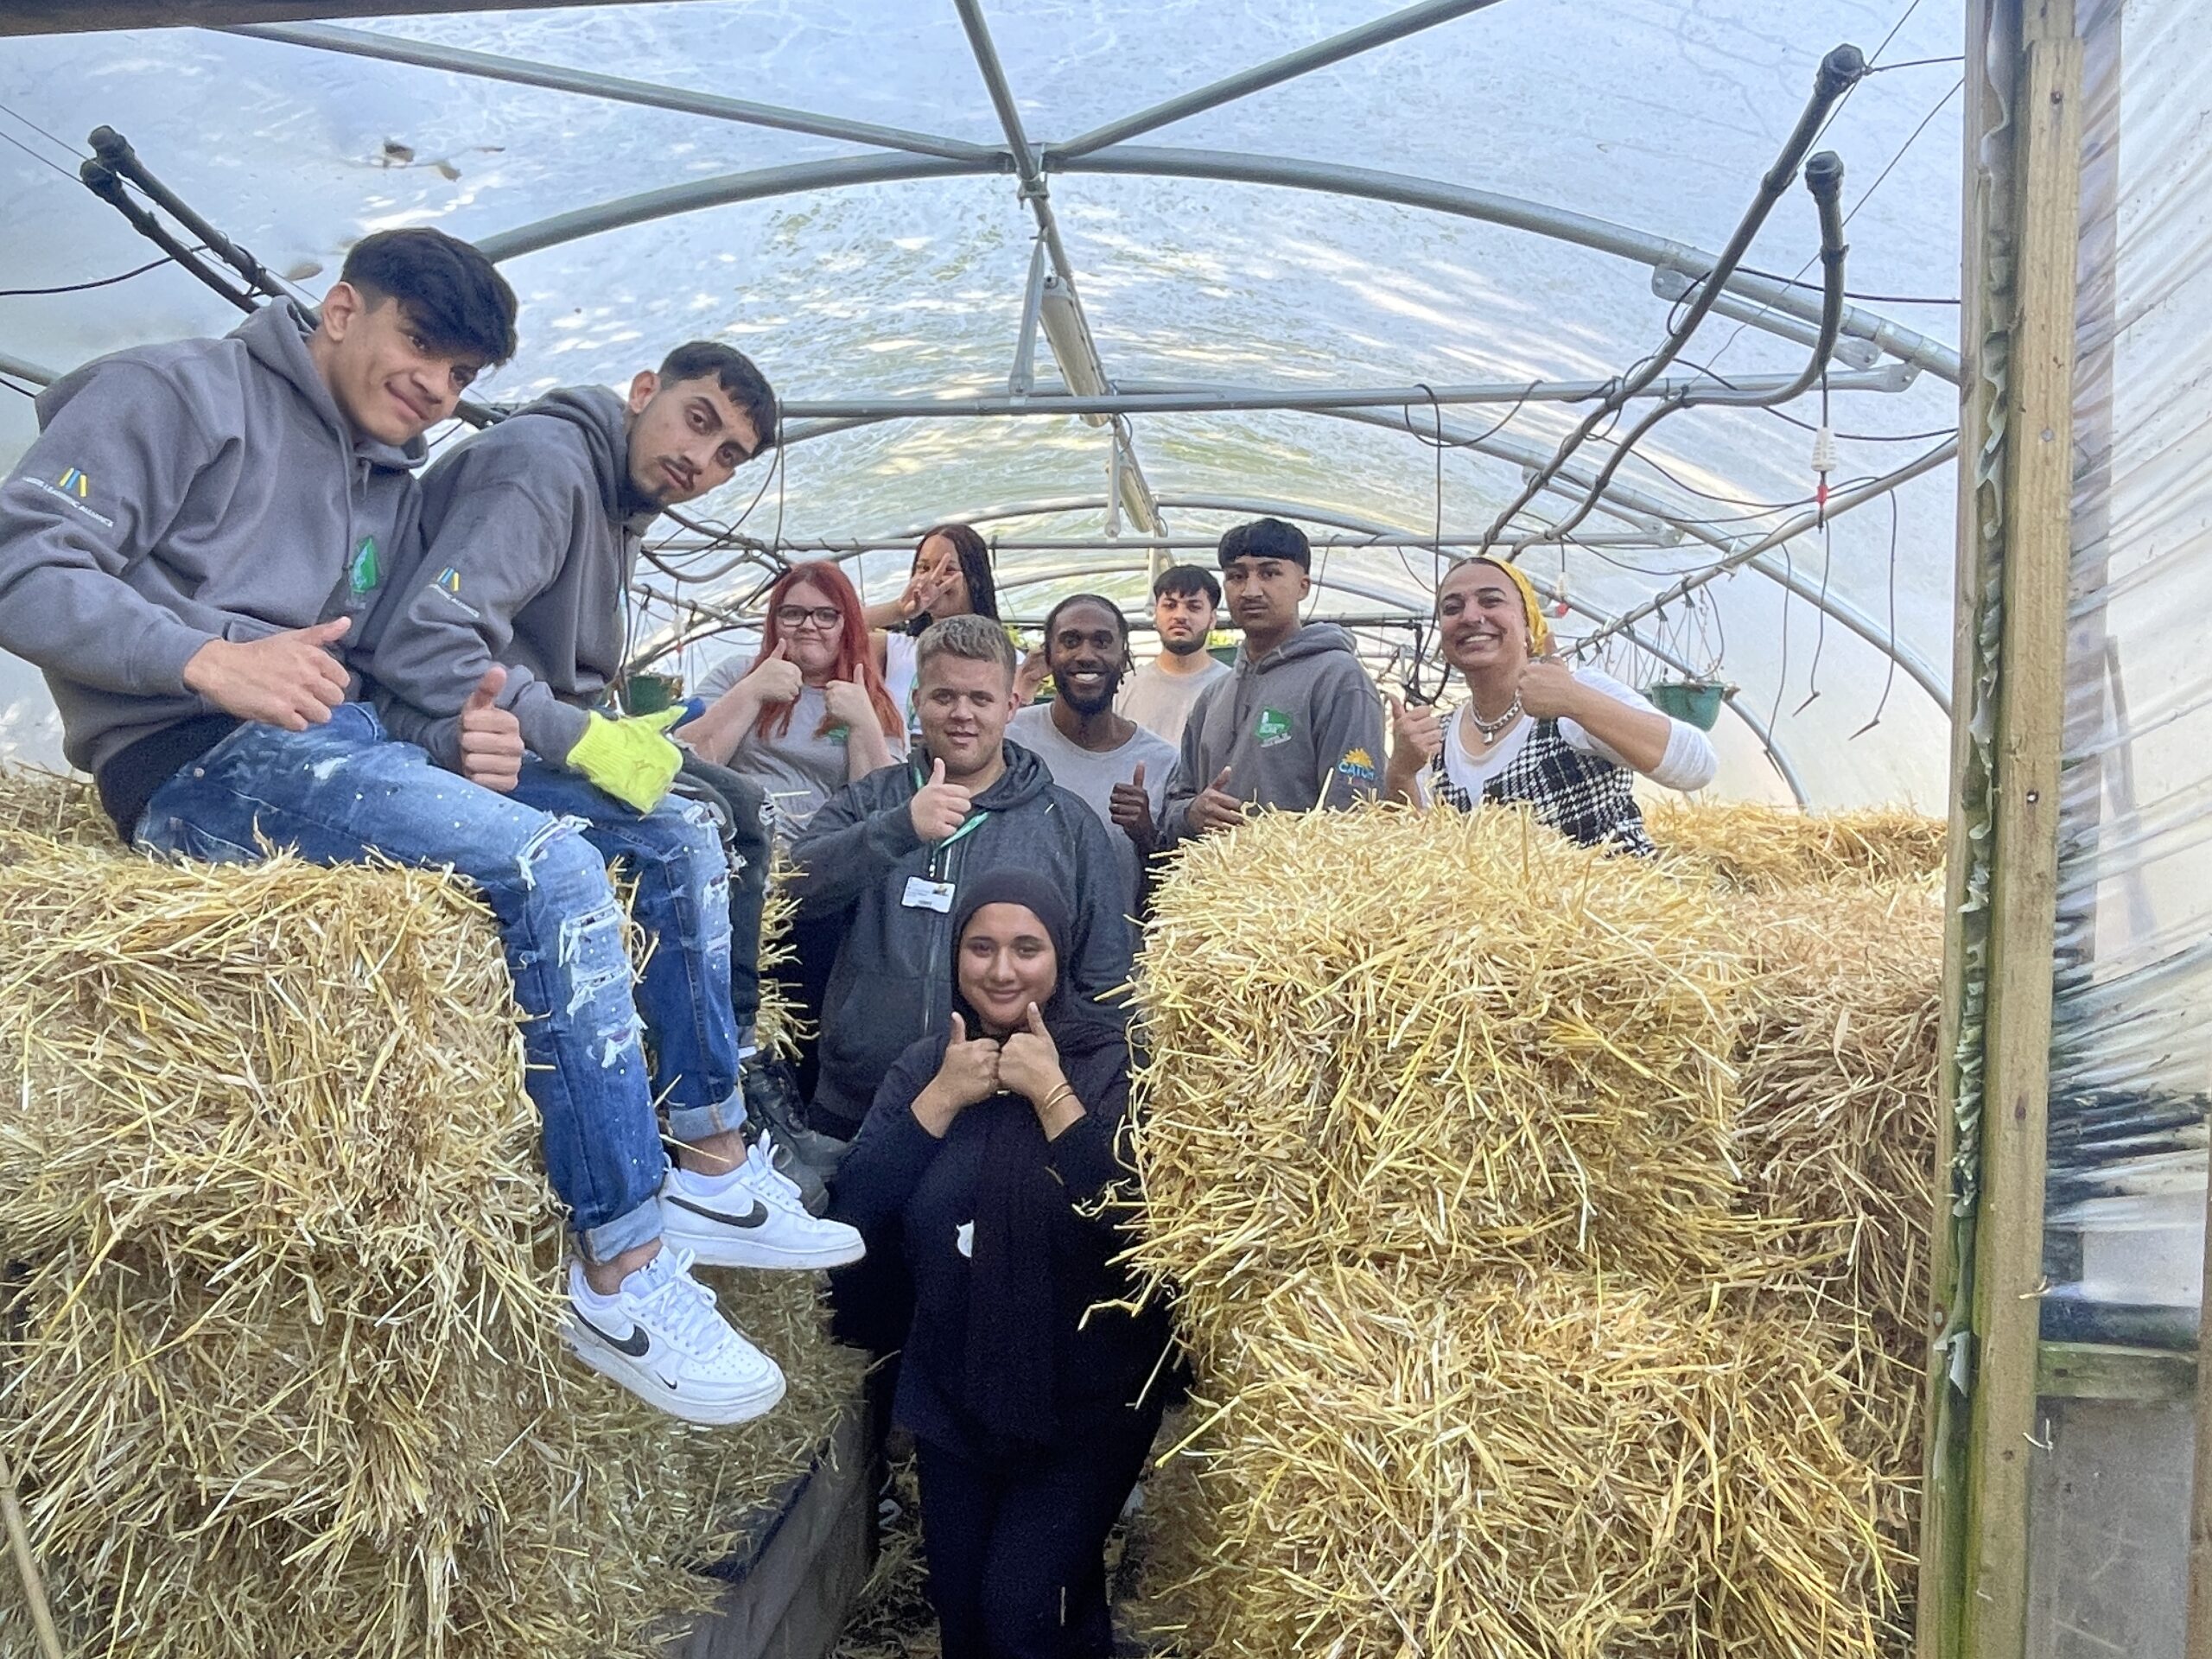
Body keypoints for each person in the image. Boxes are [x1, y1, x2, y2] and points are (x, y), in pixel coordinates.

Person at [0, 235, 823, 1427]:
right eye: (421, 347)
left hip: (336, 747)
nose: (438, 386)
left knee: (674, 829)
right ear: (341, 310)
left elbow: (386, 678)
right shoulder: (175, 390)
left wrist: (465, 747)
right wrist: (201, 656)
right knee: (555, 864)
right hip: (191, 759)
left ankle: (709, 1152)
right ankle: (623, 1269)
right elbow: (22, 561)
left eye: (460, 368)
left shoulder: (385, 474)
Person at [359, 341, 868, 1238]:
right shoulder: (544, 466)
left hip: (513, 721)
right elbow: (427, 647)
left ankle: (731, 1087)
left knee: (727, 810)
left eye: (727, 458)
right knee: (689, 829)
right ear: (643, 393)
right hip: (440, 732)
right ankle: (709, 1145)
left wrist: (603, 728)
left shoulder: (616, 498)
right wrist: (582, 736)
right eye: (696, 421)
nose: (700, 462)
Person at [829, 870, 1171, 1659]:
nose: (1003, 969)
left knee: (1019, 1614)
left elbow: (1141, 1225)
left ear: (1064, 953)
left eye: (1028, 948)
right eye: (981, 948)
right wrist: (940, 1103)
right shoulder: (927, 1066)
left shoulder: (1114, 1064)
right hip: (956, 1392)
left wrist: (1054, 1099)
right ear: (956, 957)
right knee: (964, 1611)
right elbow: (853, 1211)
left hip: (1088, 1401)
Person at [785, 613, 1133, 1143]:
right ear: (917, 700)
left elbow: (1107, 981)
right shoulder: (874, 801)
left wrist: (1063, 1079)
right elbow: (791, 891)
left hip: (1005, 1115)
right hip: (858, 1102)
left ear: (1012, 706)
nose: (962, 715)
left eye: (981, 699)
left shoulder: (1067, 825)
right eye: (945, 697)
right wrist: (899, 828)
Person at [1382, 557, 1717, 852]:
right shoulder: (1436, 738)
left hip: (1611, 918)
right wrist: (1401, 771)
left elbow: (1698, 767)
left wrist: (1576, 702)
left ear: (1528, 623)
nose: (1470, 616)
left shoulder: (1578, 690)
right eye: (1452, 609)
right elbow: (1418, 860)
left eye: (1491, 601)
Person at [1158, 518, 1386, 842]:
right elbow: (1174, 806)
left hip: (1301, 888)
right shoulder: (1212, 697)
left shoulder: (1338, 678)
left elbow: (1354, 814)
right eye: (1237, 576)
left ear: (1303, 586)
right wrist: (1192, 813)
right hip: (1213, 889)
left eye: (1269, 573)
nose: (1251, 590)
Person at [676, 559, 906, 838]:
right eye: (793, 614)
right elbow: (683, 764)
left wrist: (864, 723)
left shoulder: (873, 701)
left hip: (817, 851)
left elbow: (885, 815)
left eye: (826, 615)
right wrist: (751, 692)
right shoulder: (737, 674)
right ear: (774, 622)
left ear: (848, 626)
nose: (808, 625)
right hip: (729, 836)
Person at [1007, 593, 1174, 912]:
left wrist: (1146, 836)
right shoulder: (1010, 741)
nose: (1086, 655)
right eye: (1070, 641)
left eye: (1102, 642)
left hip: (1118, 958)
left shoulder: (1162, 762)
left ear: (1125, 659)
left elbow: (1172, 895)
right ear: (1049, 657)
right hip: (1020, 957)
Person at [1116, 563, 1229, 747]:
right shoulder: (1123, 689)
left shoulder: (1230, 688)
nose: (1180, 616)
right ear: (1155, 615)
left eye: (1194, 607)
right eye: (1170, 606)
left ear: (1212, 618)